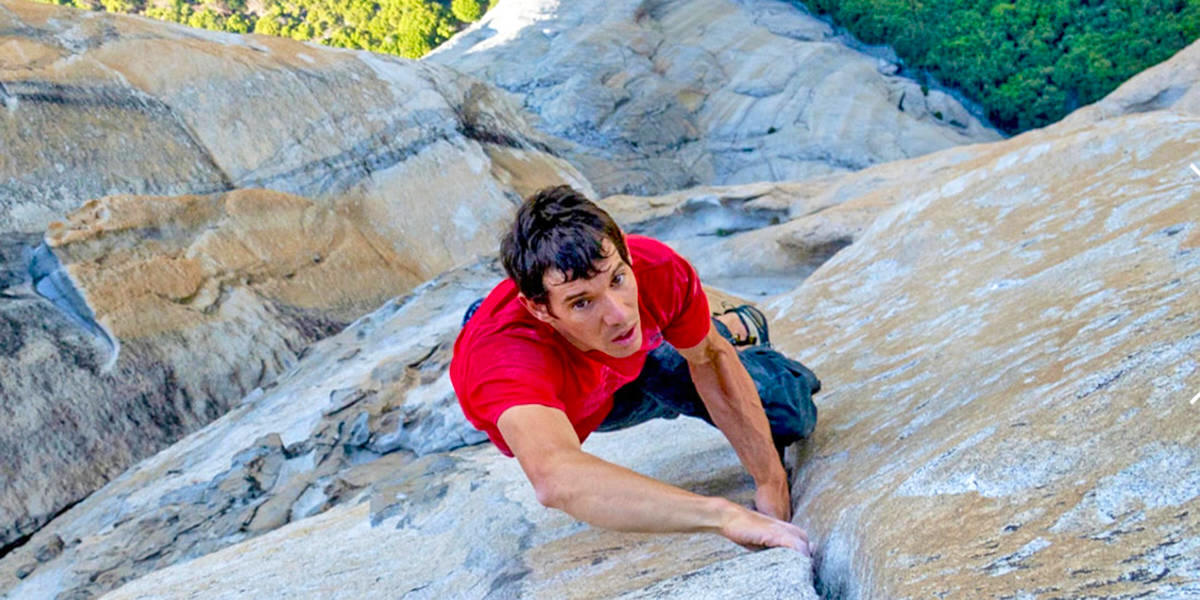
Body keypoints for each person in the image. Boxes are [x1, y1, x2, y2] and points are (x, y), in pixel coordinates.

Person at [449, 185, 819, 553]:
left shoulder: (652, 266)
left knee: (783, 413)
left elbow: (708, 357)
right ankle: (716, 322)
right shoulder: (505, 358)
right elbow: (557, 478)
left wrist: (770, 482)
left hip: (642, 354)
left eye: (617, 279)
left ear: (625, 252)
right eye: (582, 302)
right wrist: (724, 517)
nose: (619, 313)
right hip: (586, 392)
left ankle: (735, 325)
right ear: (539, 309)